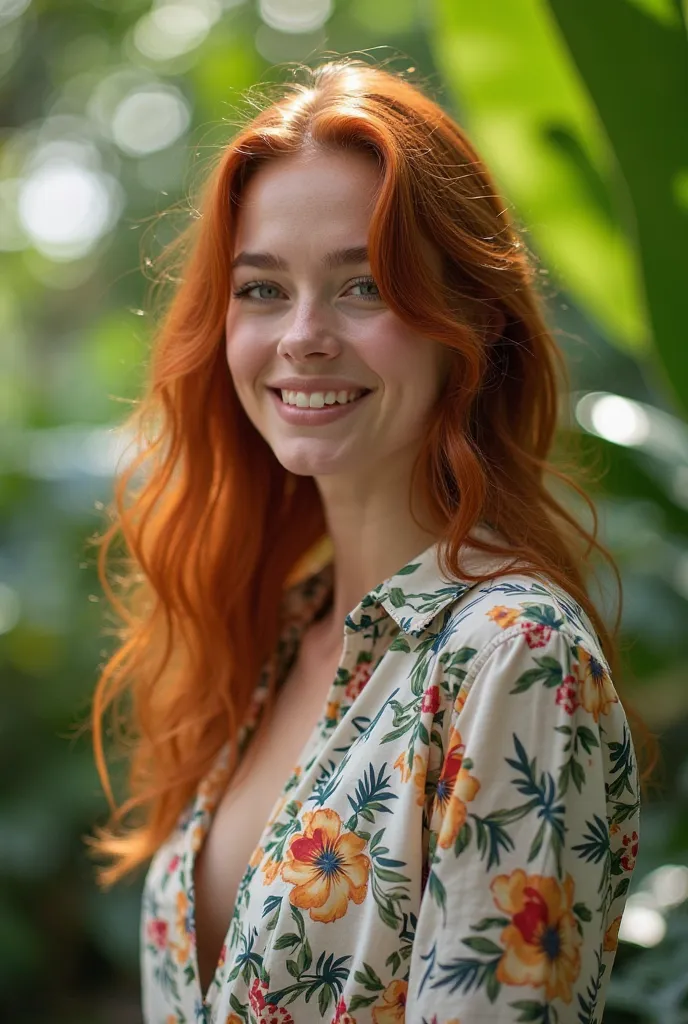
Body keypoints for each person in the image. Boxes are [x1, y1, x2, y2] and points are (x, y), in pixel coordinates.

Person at [86, 58, 653, 1023]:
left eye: (363, 287)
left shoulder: (512, 655)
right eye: (262, 291)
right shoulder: (270, 638)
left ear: (470, 323)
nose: (303, 336)